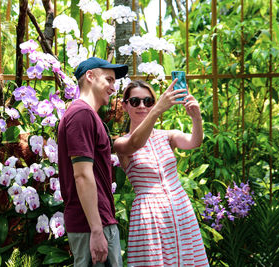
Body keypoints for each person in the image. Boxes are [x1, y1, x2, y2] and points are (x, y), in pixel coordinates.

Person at [114, 80, 209, 266]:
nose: (142, 106)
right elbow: (135, 144)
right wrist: (157, 110)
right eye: (135, 101)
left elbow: (194, 142)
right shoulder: (120, 143)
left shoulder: (167, 136)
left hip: (180, 209)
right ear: (125, 106)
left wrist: (196, 118)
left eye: (148, 101)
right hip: (149, 216)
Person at [58, 57, 128, 266]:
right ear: (89, 76)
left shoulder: (85, 114)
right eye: (109, 80)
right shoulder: (81, 114)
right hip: (92, 227)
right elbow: (82, 175)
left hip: (94, 224)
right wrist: (97, 230)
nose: (113, 88)